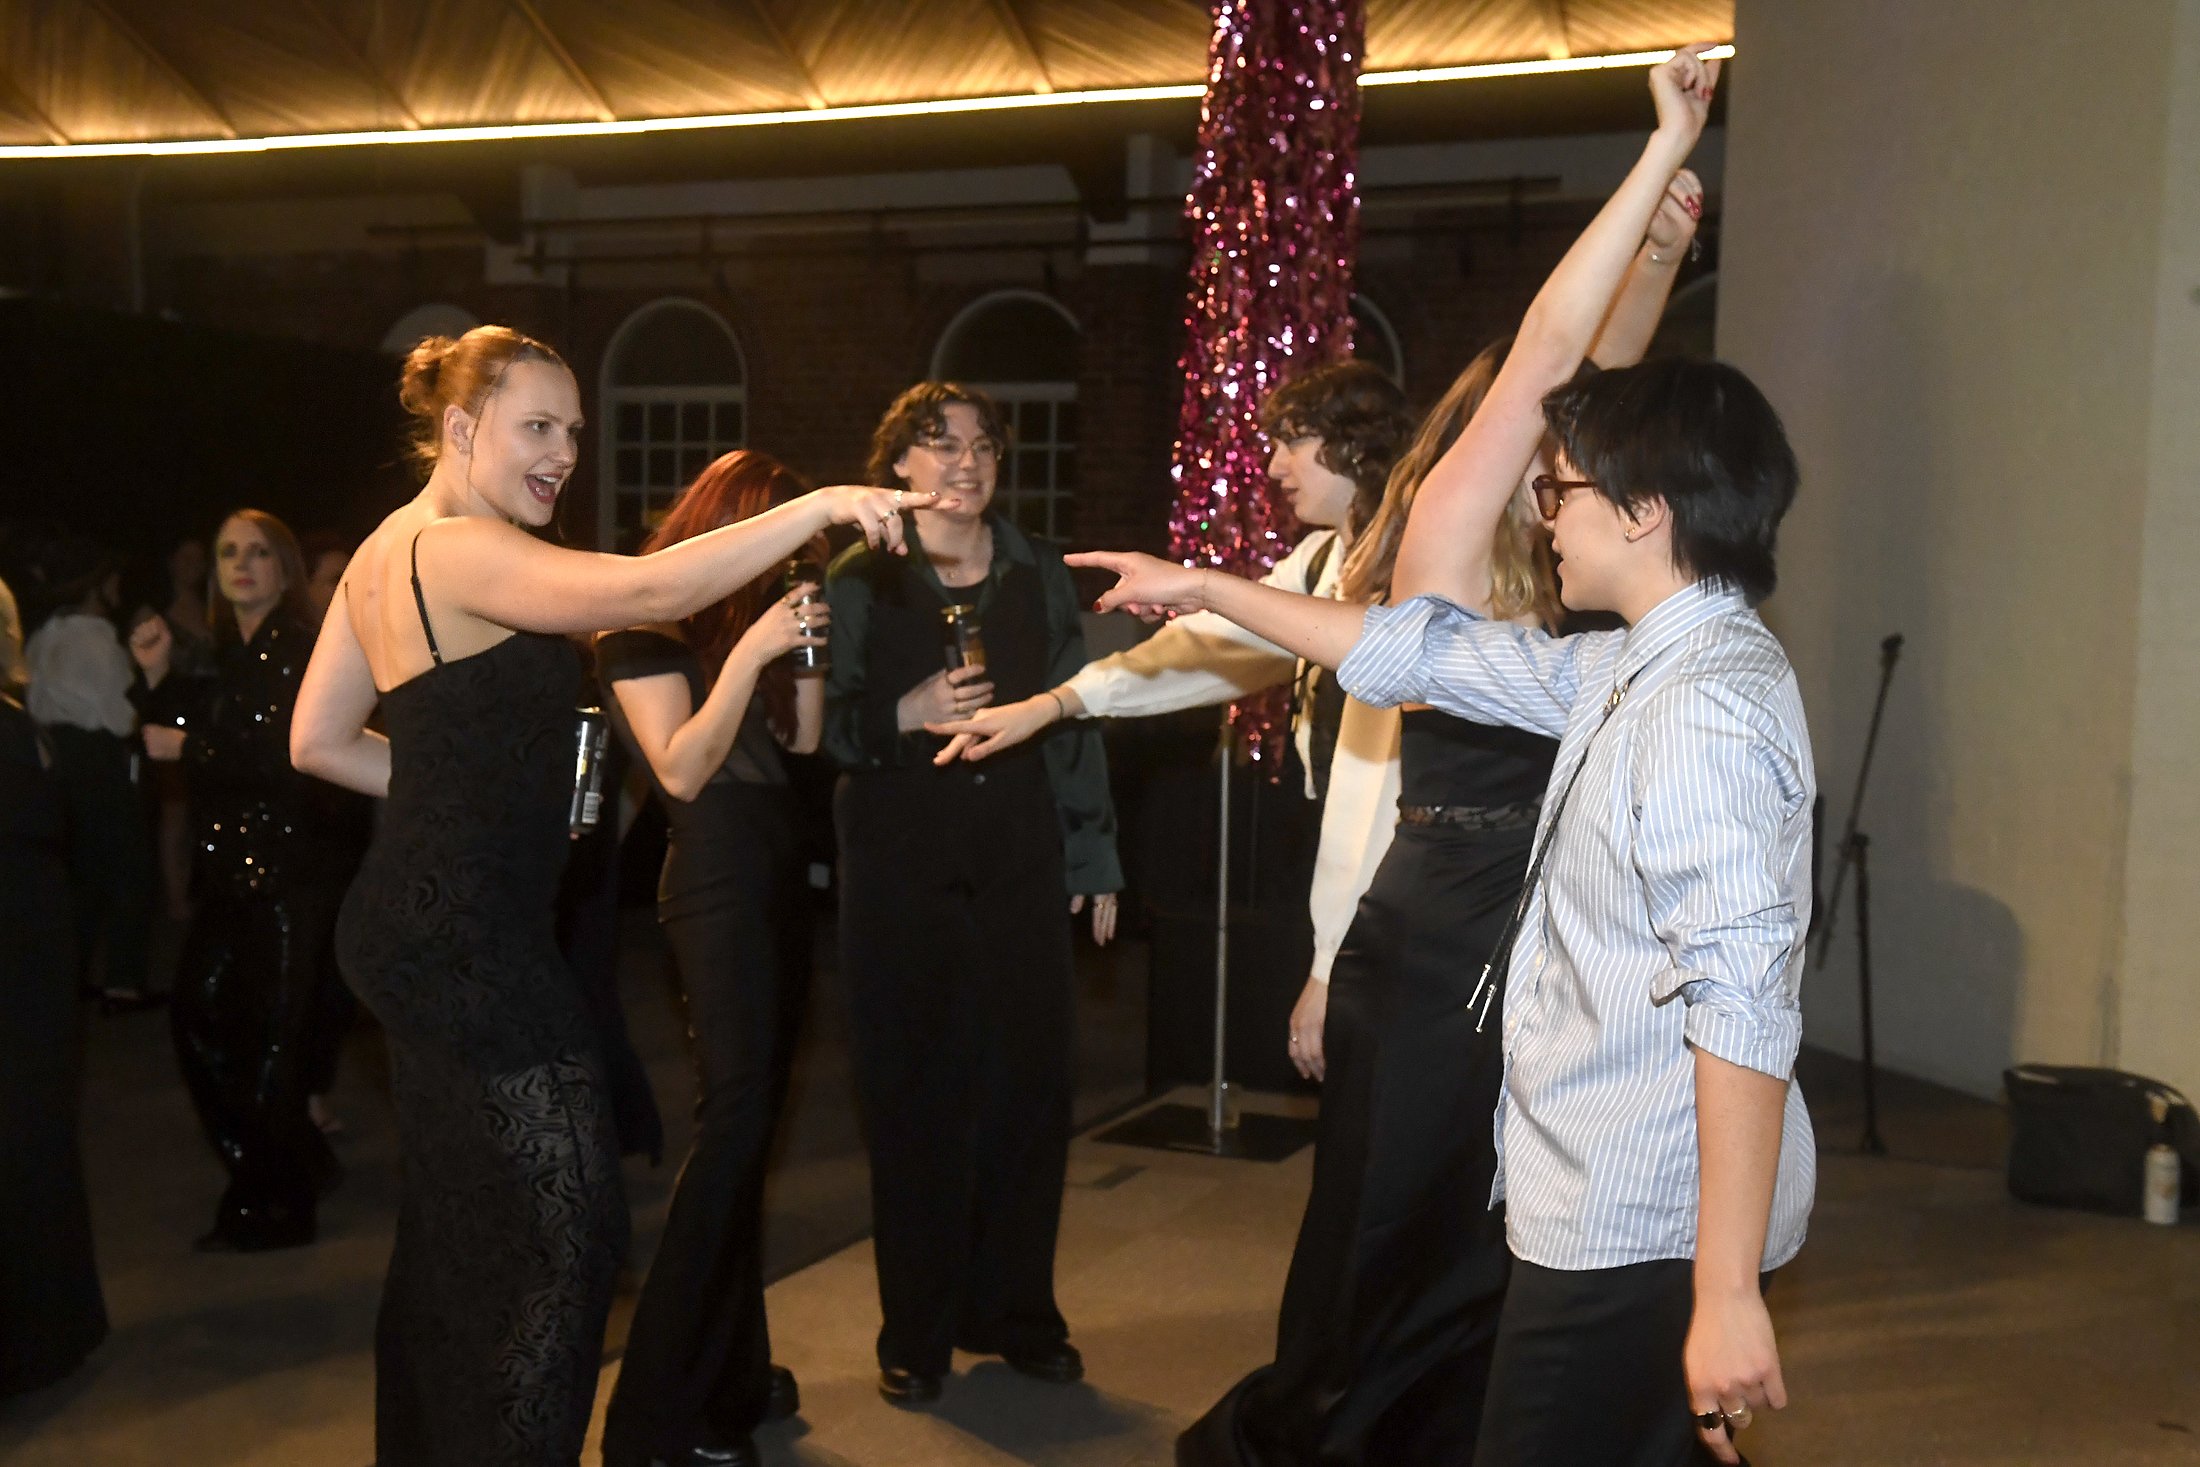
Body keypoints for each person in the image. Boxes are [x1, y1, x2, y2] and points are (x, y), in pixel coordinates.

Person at [1071, 48, 1813, 1467]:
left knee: (1515, 1274)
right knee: (1403, 1234)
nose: (1550, 479)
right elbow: (1537, 407)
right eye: (1544, 452)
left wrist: (1658, 222)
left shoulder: (1648, 663)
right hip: (1457, 931)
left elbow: (1600, 405)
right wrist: (1212, 587)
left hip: (1565, 994)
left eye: (1572, 478)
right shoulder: (1522, 584)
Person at [290, 324, 917, 1466]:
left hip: (414, 917)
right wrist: (819, 502)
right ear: (462, 428)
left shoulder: (387, 549)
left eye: (573, 432)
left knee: (455, 1229)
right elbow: (650, 584)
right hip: (469, 936)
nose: (563, 454)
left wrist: (471, 798)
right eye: (538, 427)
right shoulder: (453, 548)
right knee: (561, 1241)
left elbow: (319, 742)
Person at [928, 360, 1413, 1035]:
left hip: (1402, 909)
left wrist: (1331, 967)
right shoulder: (1325, 560)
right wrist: (1059, 702)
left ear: (1356, 446)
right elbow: (1209, 650)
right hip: (1361, 899)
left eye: (1292, 443)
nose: (1273, 467)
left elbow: (1374, 803)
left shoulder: (1406, 574)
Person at [823, 381, 1122, 1408]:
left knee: (1028, 1095)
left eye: (983, 446)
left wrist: (1093, 857)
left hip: (1019, 861)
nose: (965, 462)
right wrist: (900, 712)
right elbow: (824, 734)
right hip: (900, 870)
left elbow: (1076, 712)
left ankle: (1016, 1316)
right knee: (913, 1104)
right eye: (939, 445)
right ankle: (916, 1330)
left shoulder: (1035, 567)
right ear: (896, 464)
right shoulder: (863, 574)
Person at [596, 449, 830, 1467]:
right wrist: (751, 654)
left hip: (775, 875)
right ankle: (655, 1414)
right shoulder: (640, 625)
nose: (784, 565)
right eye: (772, 541)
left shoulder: (743, 627)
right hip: (714, 883)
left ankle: (728, 1372)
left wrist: (801, 651)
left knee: (755, 1129)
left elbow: (807, 744)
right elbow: (682, 771)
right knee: (731, 1126)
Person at [133, 508, 344, 1252]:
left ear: (283, 568)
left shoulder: (296, 647)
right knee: (198, 1019)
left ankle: (274, 1203)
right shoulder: (228, 653)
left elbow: (284, 756)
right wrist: (158, 679)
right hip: (231, 880)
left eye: (257, 552)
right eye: (227, 552)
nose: (241, 563)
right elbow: (174, 731)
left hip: (289, 876)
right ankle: (288, 1164)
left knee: (272, 1045)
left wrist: (190, 744)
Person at [0, 573, 110, 1397]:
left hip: (31, 945)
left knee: (31, 1131)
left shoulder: (19, 718)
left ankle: (45, 1332)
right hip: (32, 936)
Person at [25, 535, 160, 1012]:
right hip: (100, 761)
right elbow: (121, 716)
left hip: (59, 762)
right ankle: (123, 982)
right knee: (129, 870)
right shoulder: (94, 637)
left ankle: (70, 978)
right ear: (96, 585)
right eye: (113, 579)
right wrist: (151, 678)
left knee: (82, 873)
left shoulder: (45, 634)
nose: (120, 586)